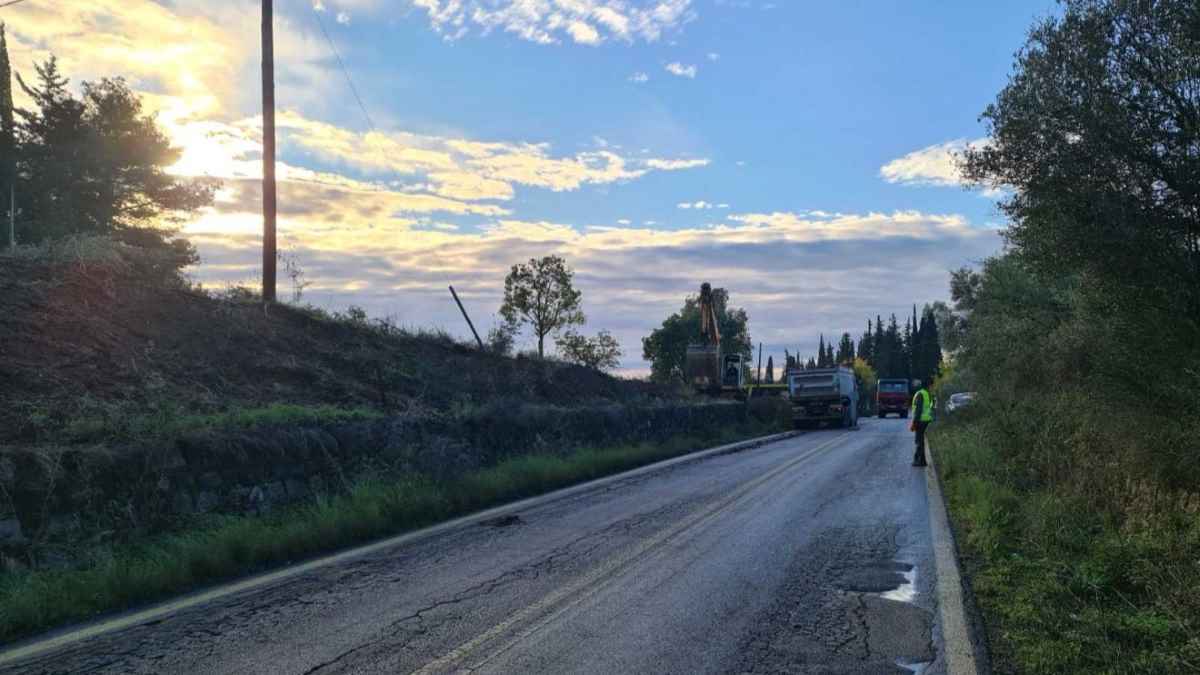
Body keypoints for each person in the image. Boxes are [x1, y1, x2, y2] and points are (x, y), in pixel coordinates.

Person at [909, 379, 933, 467]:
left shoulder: (919, 394)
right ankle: (921, 460)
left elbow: (918, 410)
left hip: (920, 421)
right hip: (927, 420)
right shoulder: (927, 394)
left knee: (919, 441)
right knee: (921, 441)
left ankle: (919, 461)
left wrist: (914, 422)